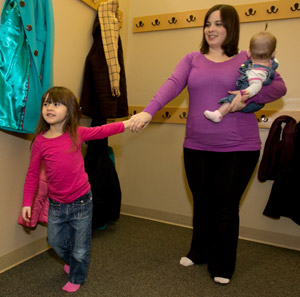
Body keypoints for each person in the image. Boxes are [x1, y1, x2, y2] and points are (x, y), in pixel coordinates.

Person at [129, 4, 286, 285]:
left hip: (239, 147)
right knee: (201, 201)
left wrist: (246, 98)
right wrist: (148, 111)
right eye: (207, 24)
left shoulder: (246, 59)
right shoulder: (192, 59)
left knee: (225, 204)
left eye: (219, 24)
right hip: (197, 145)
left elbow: (278, 87)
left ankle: (222, 264)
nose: (211, 29)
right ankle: (199, 251)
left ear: (231, 28)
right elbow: (173, 83)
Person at [21, 86, 133, 293]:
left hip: (81, 202)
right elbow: (32, 175)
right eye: (46, 103)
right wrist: (27, 202)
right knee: (54, 241)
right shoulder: (40, 141)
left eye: (56, 103)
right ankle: (73, 261)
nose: (49, 108)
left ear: (69, 109)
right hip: (56, 204)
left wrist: (128, 123)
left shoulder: (76, 133)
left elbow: (103, 131)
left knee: (81, 248)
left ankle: (77, 275)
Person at [204, 31, 278, 122]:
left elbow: (256, 85)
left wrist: (245, 94)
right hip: (256, 102)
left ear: (249, 52)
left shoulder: (256, 72)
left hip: (250, 102)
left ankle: (218, 114)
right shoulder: (271, 64)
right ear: (273, 53)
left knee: (232, 98)